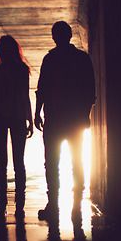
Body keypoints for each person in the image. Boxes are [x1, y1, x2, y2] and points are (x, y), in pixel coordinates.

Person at [34, 21, 95, 220]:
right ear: (69, 36)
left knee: (52, 163)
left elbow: (42, 89)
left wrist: (37, 113)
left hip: (54, 119)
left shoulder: (50, 59)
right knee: (77, 162)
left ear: (55, 37)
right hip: (74, 120)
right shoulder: (82, 59)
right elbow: (90, 91)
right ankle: (76, 206)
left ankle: (53, 205)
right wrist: (85, 114)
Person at [0, 35, 33, 219]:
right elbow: (24, 96)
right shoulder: (22, 69)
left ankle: (1, 205)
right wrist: (29, 118)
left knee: (1, 163)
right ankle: (19, 205)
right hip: (18, 117)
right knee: (19, 163)